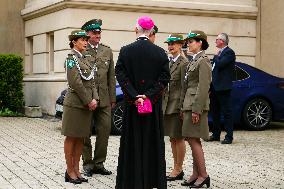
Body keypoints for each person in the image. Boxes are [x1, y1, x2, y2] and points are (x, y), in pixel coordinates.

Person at [115, 16, 170, 189]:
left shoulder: (125, 51)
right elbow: (164, 78)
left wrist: (134, 95)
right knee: (151, 142)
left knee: (132, 141)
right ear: (152, 32)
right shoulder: (160, 52)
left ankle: (131, 181)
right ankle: (151, 180)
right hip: (151, 106)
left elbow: (120, 75)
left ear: (136, 30)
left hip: (132, 106)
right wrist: (148, 95)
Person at [61, 30, 99, 184]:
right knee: (71, 137)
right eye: (82, 40)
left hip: (85, 104)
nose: (85, 42)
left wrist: (95, 98)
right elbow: (75, 83)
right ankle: (69, 171)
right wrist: (88, 100)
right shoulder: (71, 59)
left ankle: (76, 170)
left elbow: (91, 81)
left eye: (86, 40)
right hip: (75, 104)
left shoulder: (85, 59)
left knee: (81, 139)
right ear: (74, 42)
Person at [81, 19, 116, 176]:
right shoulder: (81, 49)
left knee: (104, 131)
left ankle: (99, 163)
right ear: (87, 34)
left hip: (104, 98)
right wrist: (85, 99)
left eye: (99, 32)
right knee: (85, 132)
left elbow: (111, 76)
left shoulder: (107, 51)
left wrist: (112, 98)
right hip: (87, 99)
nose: (98, 35)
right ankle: (87, 164)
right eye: (94, 32)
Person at [180, 30, 211, 188]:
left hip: (195, 106)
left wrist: (196, 110)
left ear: (200, 43)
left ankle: (203, 175)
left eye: (191, 41)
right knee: (191, 139)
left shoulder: (203, 60)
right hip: (189, 104)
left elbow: (203, 87)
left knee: (193, 139)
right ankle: (195, 173)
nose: (188, 44)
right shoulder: (193, 60)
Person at [163, 34, 188, 181]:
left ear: (180, 45)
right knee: (173, 138)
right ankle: (176, 167)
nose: (170, 46)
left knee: (178, 138)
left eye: (173, 43)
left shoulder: (183, 63)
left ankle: (179, 169)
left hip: (177, 105)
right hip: (168, 104)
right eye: (169, 44)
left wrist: (182, 108)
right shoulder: (171, 62)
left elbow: (184, 87)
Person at [207, 33, 236, 144]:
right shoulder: (219, 53)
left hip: (223, 88)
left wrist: (216, 57)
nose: (215, 41)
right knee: (215, 112)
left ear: (222, 41)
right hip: (215, 87)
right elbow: (214, 71)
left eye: (217, 39)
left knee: (227, 112)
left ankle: (229, 136)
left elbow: (220, 64)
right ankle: (216, 134)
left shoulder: (229, 52)